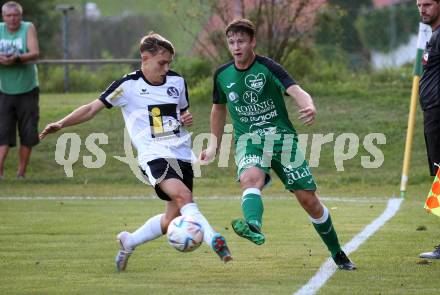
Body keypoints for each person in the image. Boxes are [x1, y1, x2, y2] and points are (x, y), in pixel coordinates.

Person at [39, 32, 232, 271]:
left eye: (169, 63)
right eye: (162, 62)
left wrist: (184, 117)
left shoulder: (176, 82)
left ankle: (129, 241)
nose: (166, 68)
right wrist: (61, 123)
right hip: (154, 155)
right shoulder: (127, 86)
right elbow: (91, 109)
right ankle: (215, 240)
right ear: (145, 57)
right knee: (183, 196)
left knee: (171, 219)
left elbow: (180, 112)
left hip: (182, 153)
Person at [199, 19, 356, 270]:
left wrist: (309, 105)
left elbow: (296, 90)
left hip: (282, 141)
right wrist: (214, 145)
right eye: (231, 42)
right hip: (248, 141)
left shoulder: (268, 67)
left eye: (241, 41)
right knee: (249, 179)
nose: (236, 47)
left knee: (308, 200)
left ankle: (337, 252)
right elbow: (218, 110)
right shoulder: (222, 74)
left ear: (252, 42)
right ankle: (253, 225)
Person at [0, 1, 39, 180]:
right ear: (3, 17)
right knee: (3, 132)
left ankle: (21, 173)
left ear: (21, 16)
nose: (12, 19)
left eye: (16, 15)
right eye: (9, 15)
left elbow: (34, 52)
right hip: (4, 89)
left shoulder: (27, 28)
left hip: (27, 88)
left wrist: (16, 58)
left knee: (28, 132)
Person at [417, 0, 440, 259]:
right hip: (432, 113)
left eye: (428, 4)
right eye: (418, 4)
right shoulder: (433, 35)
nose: (422, 9)